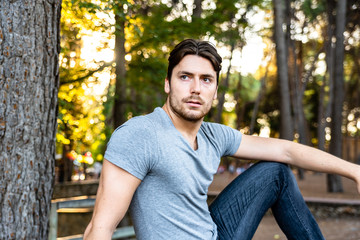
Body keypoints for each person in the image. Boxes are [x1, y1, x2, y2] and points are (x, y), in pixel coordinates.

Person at [84, 39, 360, 240]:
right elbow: (100, 228)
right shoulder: (140, 134)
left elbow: (286, 151)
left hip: (215, 234)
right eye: (185, 77)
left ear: (215, 90)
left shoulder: (214, 135)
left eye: (206, 80)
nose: (195, 89)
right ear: (168, 84)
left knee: (276, 171)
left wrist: (354, 171)